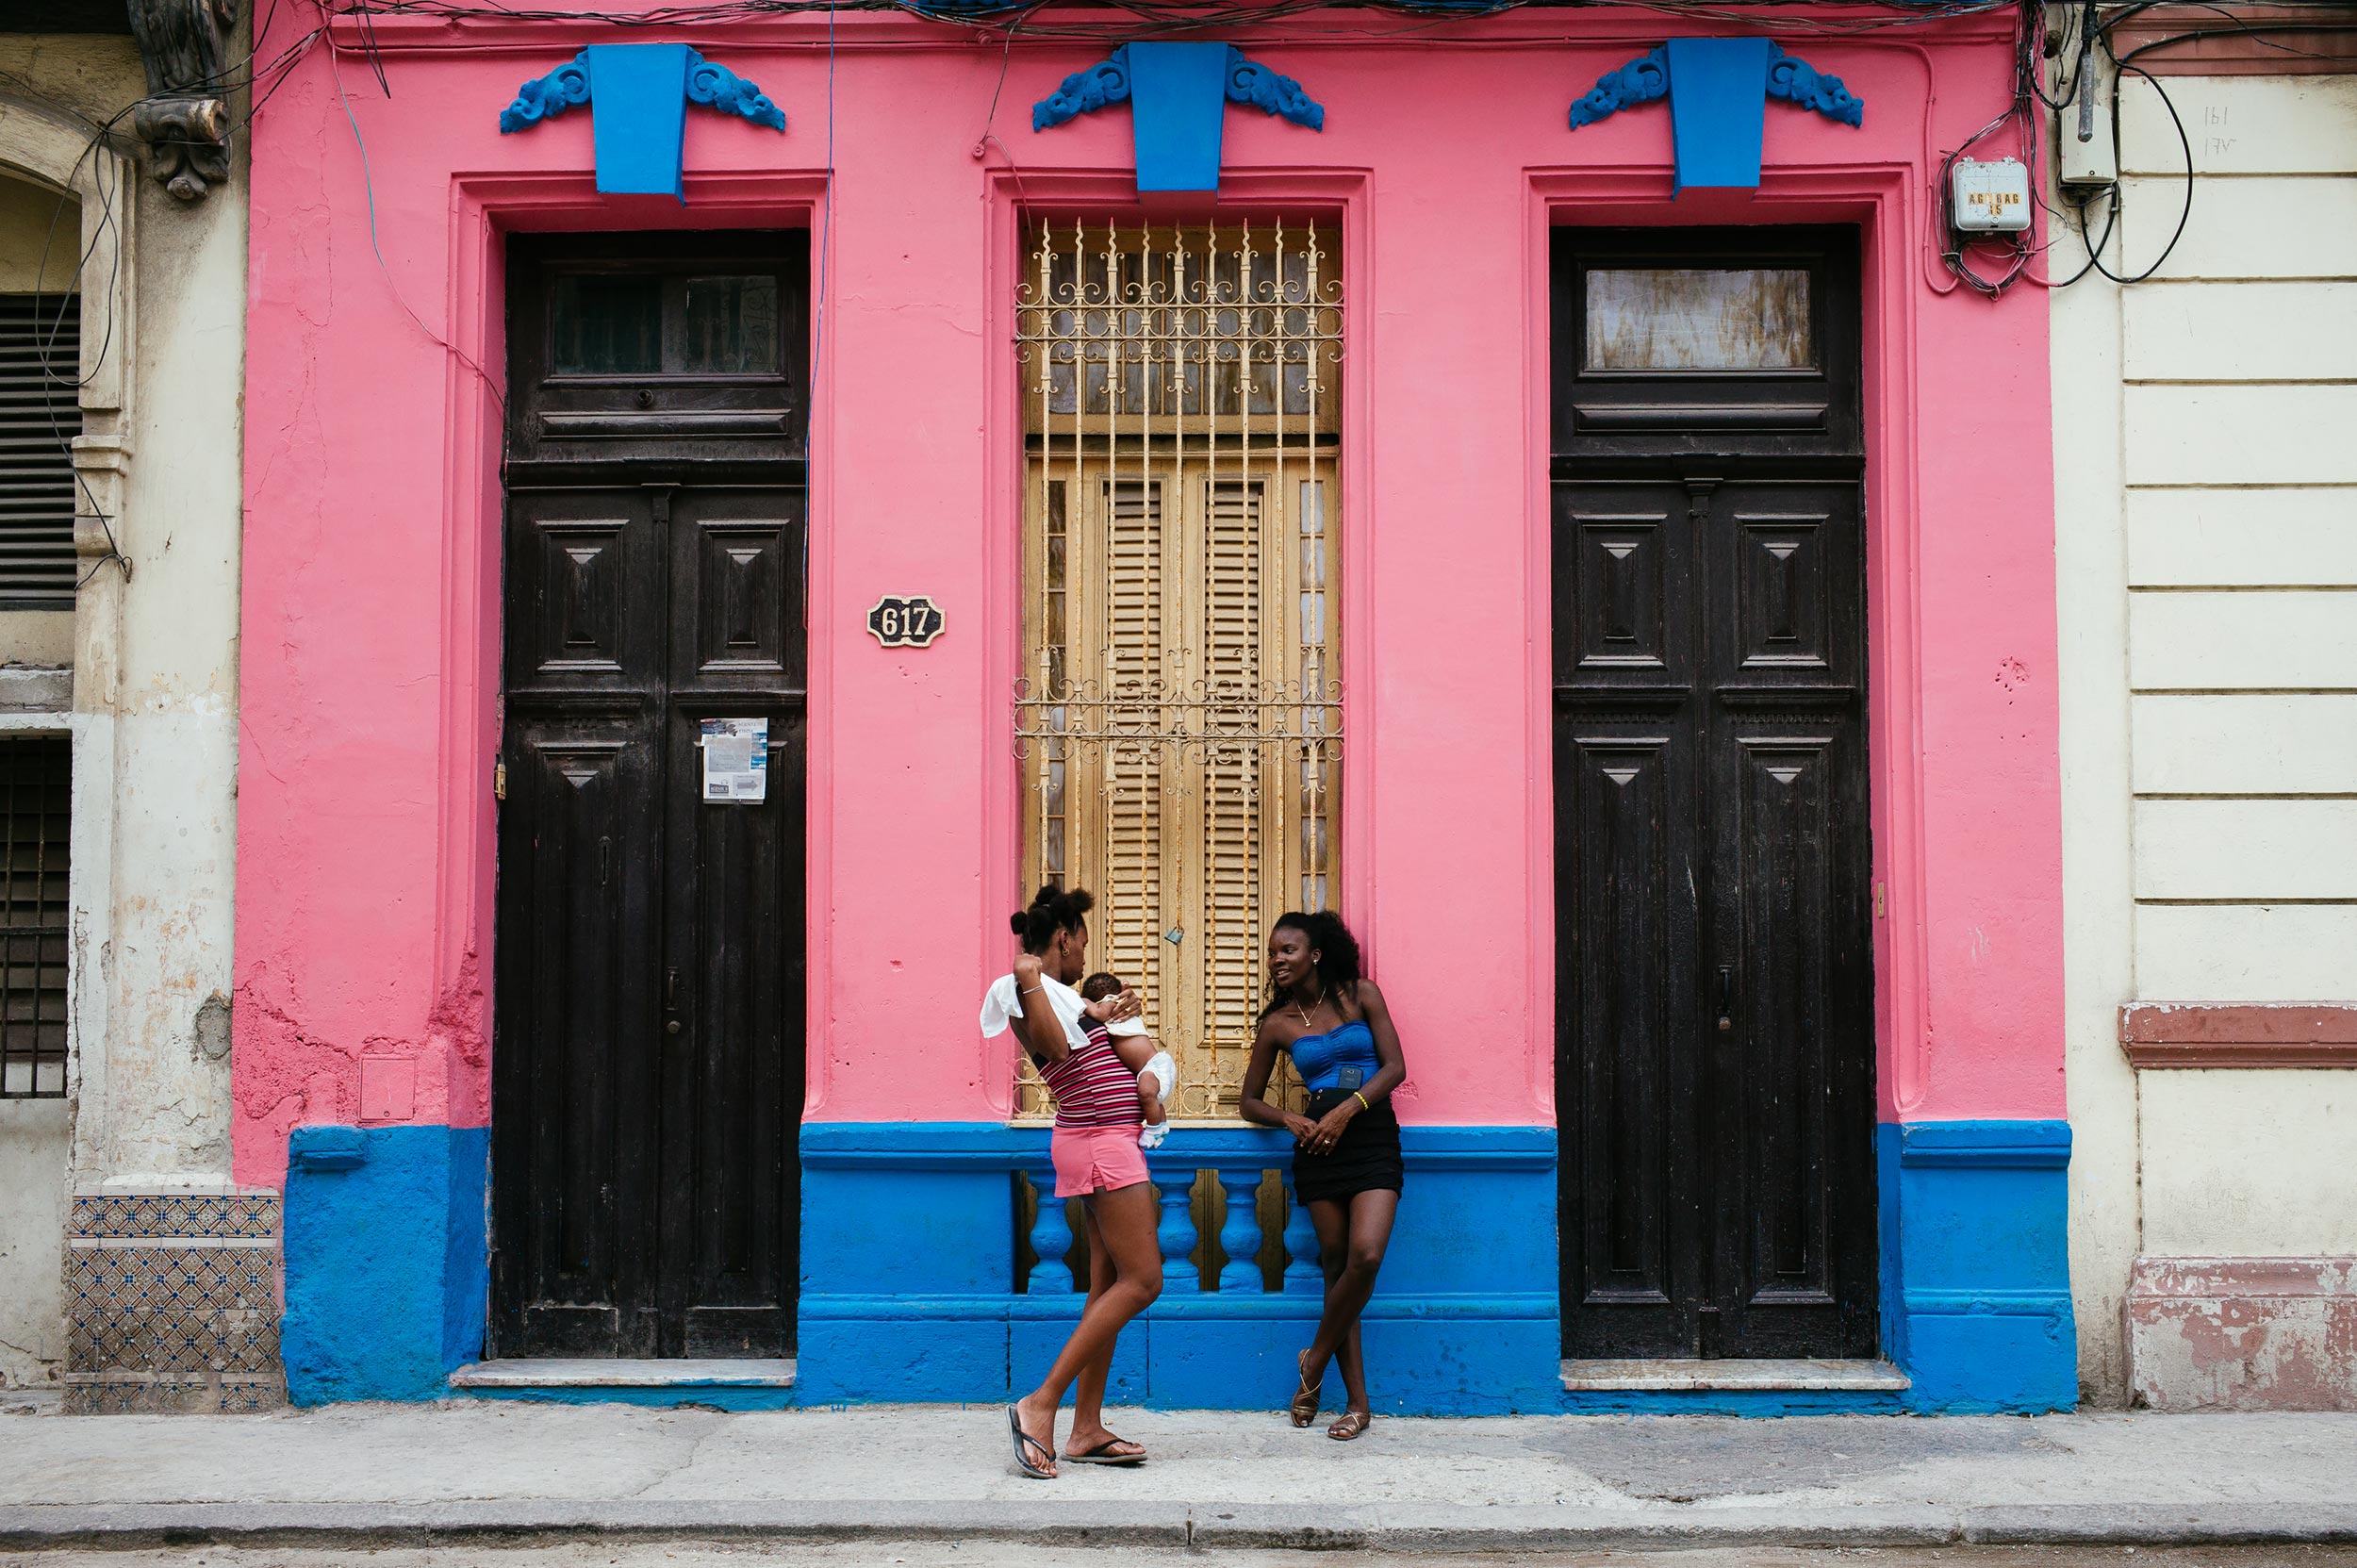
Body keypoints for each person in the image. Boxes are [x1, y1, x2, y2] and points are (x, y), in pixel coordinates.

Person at [981, 885, 1163, 1477]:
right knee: (1144, 1281)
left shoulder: (1058, 995)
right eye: (1081, 942)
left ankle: (1085, 1428)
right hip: (1101, 1143)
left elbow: (1074, 1036)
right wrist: (1029, 974)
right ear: (1063, 937)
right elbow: (1055, 1047)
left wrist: (1099, 1014)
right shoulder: (1022, 988)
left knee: (1106, 1283)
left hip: (1104, 1139)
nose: (1086, 956)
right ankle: (1040, 1404)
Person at [1237, 910, 1408, 1441]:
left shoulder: (1361, 994)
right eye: (1271, 953)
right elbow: (1248, 1100)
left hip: (1371, 1138)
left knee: (1366, 1257)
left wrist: (1348, 1108)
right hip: (1317, 1150)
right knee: (1337, 1271)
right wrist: (1290, 1117)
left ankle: (1313, 1362)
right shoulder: (1279, 1023)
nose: (1276, 960)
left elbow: (1395, 1067)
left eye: (1286, 950)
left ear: (1314, 953)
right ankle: (1358, 1404)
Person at [1079, 971, 1175, 1144]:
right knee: (1152, 1097)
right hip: (1149, 1067)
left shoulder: (1111, 1009)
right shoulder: (1125, 1011)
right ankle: (1162, 1125)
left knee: (1146, 1093)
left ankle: (1153, 1129)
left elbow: (1099, 1014)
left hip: (1153, 1066)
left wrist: (1083, 1002)